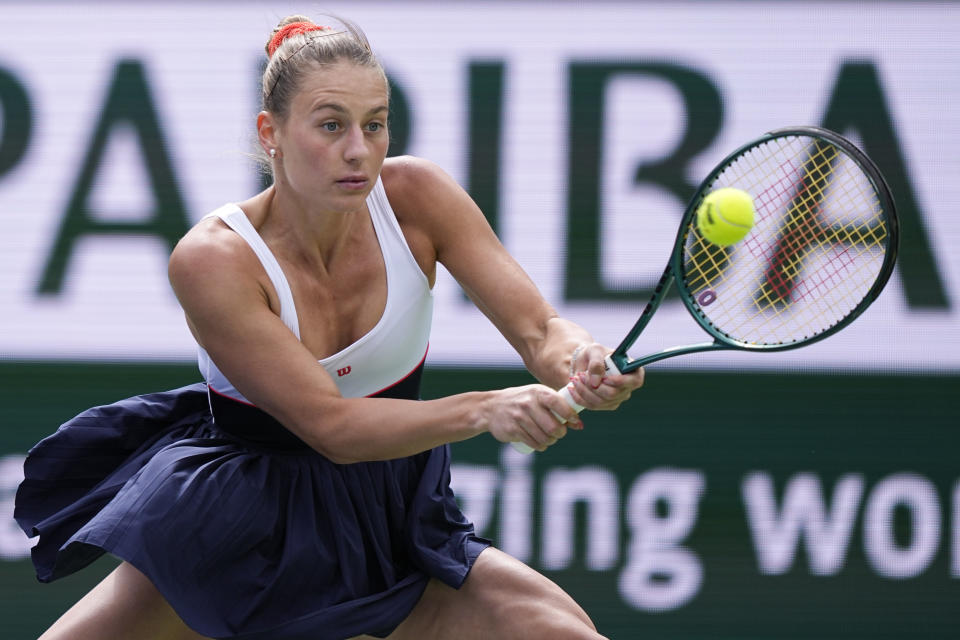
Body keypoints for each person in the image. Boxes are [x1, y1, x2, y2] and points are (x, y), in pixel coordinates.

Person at [15, 14, 645, 640]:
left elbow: (540, 330)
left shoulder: (418, 196)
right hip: (238, 529)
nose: (358, 150)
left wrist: (581, 359)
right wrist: (486, 409)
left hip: (390, 518)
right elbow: (331, 427)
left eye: (374, 125)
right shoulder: (214, 259)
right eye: (331, 125)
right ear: (272, 134)